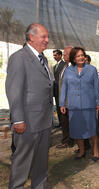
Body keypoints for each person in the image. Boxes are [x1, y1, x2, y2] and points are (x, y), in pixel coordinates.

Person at [6, 23, 53, 188]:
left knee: (41, 165)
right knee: (22, 165)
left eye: (47, 37)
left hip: (44, 122)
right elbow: (14, 90)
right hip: (27, 123)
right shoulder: (19, 58)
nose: (47, 40)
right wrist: (18, 119)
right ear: (31, 37)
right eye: (44, 37)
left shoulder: (44, 59)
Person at [60, 47, 99, 160]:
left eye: (82, 55)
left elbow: (96, 87)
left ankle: (95, 150)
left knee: (91, 129)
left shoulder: (92, 69)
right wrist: (62, 103)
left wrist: (98, 102)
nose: (81, 57)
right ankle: (82, 151)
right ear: (73, 58)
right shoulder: (68, 71)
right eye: (78, 56)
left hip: (89, 105)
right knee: (77, 129)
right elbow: (64, 87)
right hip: (74, 106)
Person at [56, 46, 74, 148]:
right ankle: (66, 141)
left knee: (71, 123)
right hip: (63, 101)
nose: (64, 55)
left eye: (66, 54)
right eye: (64, 53)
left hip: (71, 102)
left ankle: (70, 141)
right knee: (65, 123)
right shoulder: (64, 66)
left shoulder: (75, 67)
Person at [53, 49, 66, 128]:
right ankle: (60, 122)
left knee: (62, 106)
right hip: (56, 90)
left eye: (56, 55)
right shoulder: (54, 66)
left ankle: (64, 123)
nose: (54, 57)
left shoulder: (64, 65)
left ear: (60, 55)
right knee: (58, 106)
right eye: (54, 55)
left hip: (62, 90)